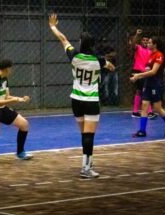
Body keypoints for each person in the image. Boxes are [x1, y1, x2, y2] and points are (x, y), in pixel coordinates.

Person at [48, 13, 115, 178]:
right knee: (89, 135)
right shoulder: (98, 60)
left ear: (81, 43)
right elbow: (110, 66)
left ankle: (88, 164)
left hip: (76, 100)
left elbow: (63, 39)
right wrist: (109, 66)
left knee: (84, 135)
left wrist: (53, 26)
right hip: (91, 101)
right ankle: (86, 169)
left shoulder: (74, 56)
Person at [130, 37, 165, 138]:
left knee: (157, 108)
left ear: (155, 45)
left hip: (156, 84)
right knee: (144, 105)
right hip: (148, 83)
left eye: (150, 42)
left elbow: (153, 72)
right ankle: (142, 131)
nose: (147, 44)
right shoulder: (151, 55)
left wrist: (139, 76)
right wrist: (136, 75)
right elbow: (147, 70)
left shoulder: (159, 55)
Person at [129, 29, 157, 119]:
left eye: (147, 41)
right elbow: (133, 44)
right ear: (140, 41)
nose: (145, 42)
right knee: (145, 91)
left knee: (139, 91)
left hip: (146, 72)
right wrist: (137, 34)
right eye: (143, 40)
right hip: (138, 71)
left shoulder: (151, 51)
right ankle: (149, 112)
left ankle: (135, 111)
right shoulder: (138, 48)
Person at [97, 37, 118, 105]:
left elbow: (114, 54)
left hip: (113, 70)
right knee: (105, 86)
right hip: (105, 71)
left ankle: (115, 100)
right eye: (103, 42)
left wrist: (107, 56)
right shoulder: (99, 49)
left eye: (105, 42)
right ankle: (106, 101)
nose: (104, 44)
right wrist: (106, 57)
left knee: (115, 85)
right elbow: (100, 58)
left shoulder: (110, 48)